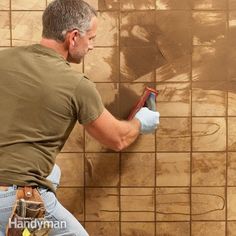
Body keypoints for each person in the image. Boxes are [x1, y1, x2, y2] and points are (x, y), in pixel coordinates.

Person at [0, 0, 160, 235]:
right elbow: (117, 139)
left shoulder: (4, 60)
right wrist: (140, 122)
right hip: (18, 202)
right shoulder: (76, 85)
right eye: (91, 38)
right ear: (73, 37)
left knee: (53, 172)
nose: (92, 46)